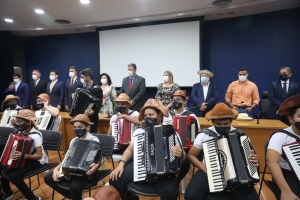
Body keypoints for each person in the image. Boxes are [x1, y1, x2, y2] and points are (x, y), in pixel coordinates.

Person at [109, 99, 186, 200]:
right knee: (114, 180)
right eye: (146, 116)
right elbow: (130, 150)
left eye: (151, 115)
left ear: (159, 115)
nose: (147, 118)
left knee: (170, 193)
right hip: (140, 166)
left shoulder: (171, 133)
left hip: (164, 172)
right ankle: (130, 198)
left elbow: (184, 157)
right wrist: (121, 163)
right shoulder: (139, 132)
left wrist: (181, 154)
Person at [184, 102, 259, 200]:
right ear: (212, 122)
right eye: (218, 124)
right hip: (209, 170)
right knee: (190, 196)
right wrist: (204, 168)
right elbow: (191, 155)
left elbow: (250, 159)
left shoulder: (240, 136)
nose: (222, 126)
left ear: (231, 121)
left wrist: (254, 160)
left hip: (238, 173)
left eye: (226, 124)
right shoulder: (205, 135)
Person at [44, 114, 101, 200]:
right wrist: (56, 169)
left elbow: (99, 159)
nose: (77, 130)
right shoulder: (74, 141)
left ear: (88, 127)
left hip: (86, 173)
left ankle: (75, 196)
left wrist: (96, 165)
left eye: (80, 127)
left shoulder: (94, 141)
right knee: (48, 177)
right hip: (71, 171)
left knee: (75, 187)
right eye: (75, 127)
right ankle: (74, 197)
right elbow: (67, 158)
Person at [0, 109, 47, 200]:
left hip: (37, 161)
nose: (18, 124)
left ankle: (32, 198)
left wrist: (23, 155)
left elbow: (40, 156)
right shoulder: (23, 132)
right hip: (25, 158)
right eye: (17, 121)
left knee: (14, 176)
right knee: (2, 166)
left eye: (20, 121)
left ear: (28, 122)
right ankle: (7, 192)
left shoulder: (36, 135)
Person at [267, 94, 300, 200]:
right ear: (291, 119)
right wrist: (286, 191)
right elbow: (272, 161)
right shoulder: (280, 136)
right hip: (288, 175)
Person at [164, 89, 200, 184]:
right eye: (174, 99)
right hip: (169, 147)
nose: (175, 101)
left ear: (184, 101)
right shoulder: (167, 116)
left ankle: (175, 181)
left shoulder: (191, 116)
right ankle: (167, 180)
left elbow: (197, 134)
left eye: (179, 99)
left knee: (185, 162)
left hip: (185, 150)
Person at [79, 68, 103, 133]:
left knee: (91, 137)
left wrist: (94, 112)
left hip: (92, 118)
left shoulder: (97, 89)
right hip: (81, 117)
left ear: (88, 77)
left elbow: (99, 104)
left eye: (82, 77)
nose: (81, 79)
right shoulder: (81, 87)